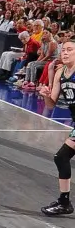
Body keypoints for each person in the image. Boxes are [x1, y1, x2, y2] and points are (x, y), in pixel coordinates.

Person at [42, 40, 75, 217]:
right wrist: (46, 95)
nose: (65, 53)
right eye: (63, 50)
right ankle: (64, 202)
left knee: (62, 156)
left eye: (70, 50)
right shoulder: (60, 72)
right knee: (61, 157)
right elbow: (51, 104)